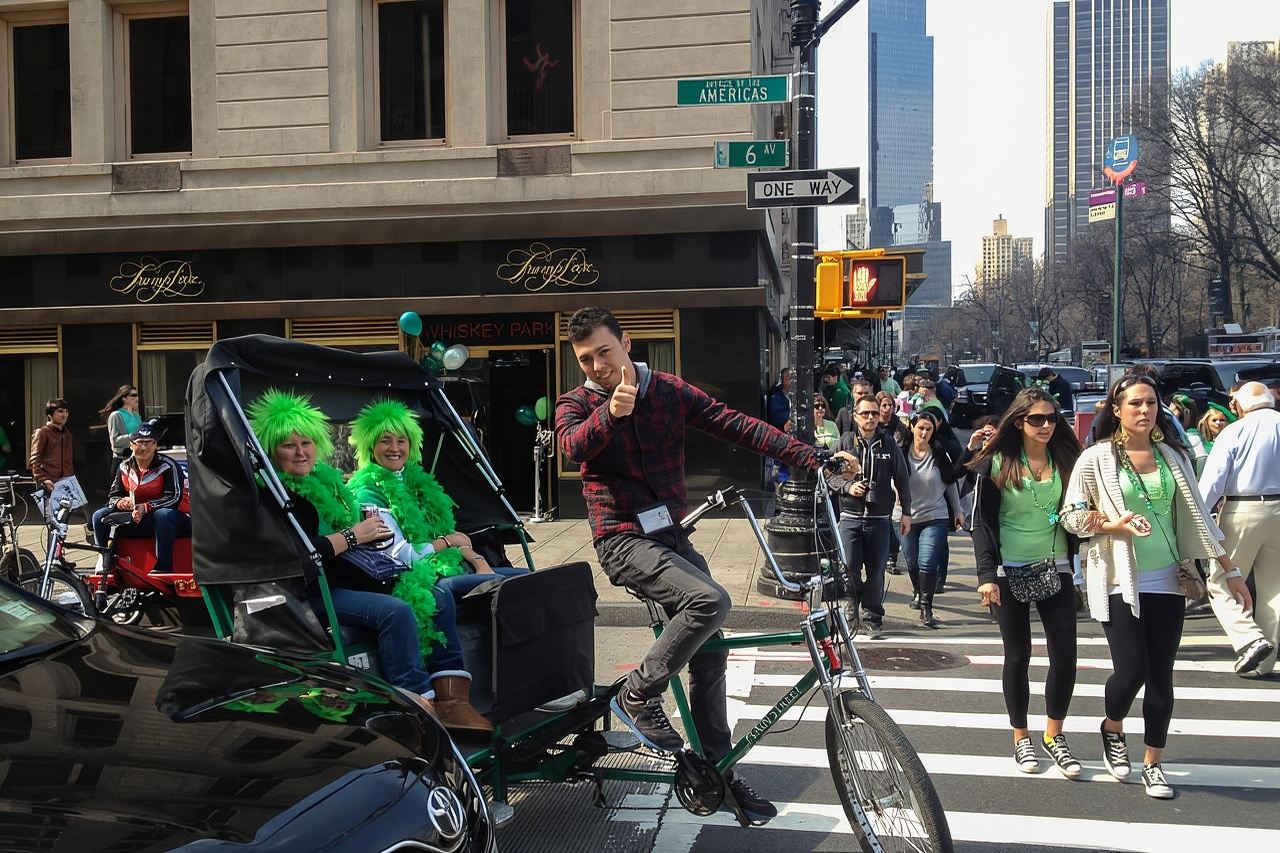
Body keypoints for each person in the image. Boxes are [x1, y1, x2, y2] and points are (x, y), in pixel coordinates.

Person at [556, 307, 835, 822]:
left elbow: (734, 424)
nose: (595, 366)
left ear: (627, 342)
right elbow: (573, 446)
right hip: (620, 538)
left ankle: (718, 773)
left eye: (603, 353)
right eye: (585, 359)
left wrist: (810, 457)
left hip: (669, 535)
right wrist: (609, 415)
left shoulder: (667, 390)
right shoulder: (576, 403)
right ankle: (640, 693)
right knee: (710, 600)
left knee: (712, 649)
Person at [1062, 374, 1248, 799]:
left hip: (1168, 578)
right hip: (1116, 577)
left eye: (1150, 403)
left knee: (1161, 674)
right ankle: (1112, 725)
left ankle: (1153, 763)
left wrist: (1230, 570)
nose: (1144, 411)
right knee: (1133, 669)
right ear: (1117, 409)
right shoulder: (1095, 459)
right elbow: (1070, 518)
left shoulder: (1172, 456)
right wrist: (1113, 525)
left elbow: (1200, 516)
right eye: (1135, 404)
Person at [246, 390, 437, 716]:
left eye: (306, 443)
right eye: (288, 445)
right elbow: (299, 557)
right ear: (271, 451)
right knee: (396, 611)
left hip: (342, 580)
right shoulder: (272, 497)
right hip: (301, 595)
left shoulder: (327, 484)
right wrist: (353, 535)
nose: (301, 452)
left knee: (432, 591)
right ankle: (416, 703)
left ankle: (450, 686)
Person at [348, 398, 524, 732]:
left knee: (525, 580)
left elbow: (452, 534)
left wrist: (475, 557)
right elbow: (401, 556)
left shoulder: (415, 482)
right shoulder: (366, 492)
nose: (394, 447)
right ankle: (450, 702)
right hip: (404, 579)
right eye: (385, 440)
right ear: (370, 445)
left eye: (401, 440)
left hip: (445, 567)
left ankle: (530, 677)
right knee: (441, 594)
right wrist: (450, 544)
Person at [969, 388, 1084, 778]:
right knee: (1018, 655)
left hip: (1057, 567)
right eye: (1037, 419)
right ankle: (1021, 736)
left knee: (1065, 654)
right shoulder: (997, 462)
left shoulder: (1067, 459)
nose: (1047, 425)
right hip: (1009, 570)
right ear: (1019, 421)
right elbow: (981, 524)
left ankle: (1054, 735)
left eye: (1052, 418)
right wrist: (986, 575)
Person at [1197, 381, 1280, 677]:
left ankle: (1249, 639)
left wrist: (1198, 518)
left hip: (1242, 509)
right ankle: (1263, 664)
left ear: (1240, 405)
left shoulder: (1235, 431)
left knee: (1221, 581)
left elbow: (1212, 484)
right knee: (1275, 589)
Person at [834, 395, 912, 637]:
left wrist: (907, 513)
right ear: (855, 416)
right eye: (865, 413)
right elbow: (827, 474)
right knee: (849, 568)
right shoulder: (844, 443)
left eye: (875, 414)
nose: (870, 418)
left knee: (876, 570)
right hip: (850, 516)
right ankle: (850, 608)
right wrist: (847, 487)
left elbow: (902, 479)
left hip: (879, 518)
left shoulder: (889, 444)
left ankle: (873, 617)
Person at [92, 422, 190, 574]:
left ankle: (163, 567)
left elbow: (174, 498)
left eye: (148, 443)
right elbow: (113, 496)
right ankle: (106, 561)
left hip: (173, 517)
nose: (144, 448)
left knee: (162, 515)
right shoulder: (124, 467)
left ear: (155, 444)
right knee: (99, 516)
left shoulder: (168, 465)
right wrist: (120, 502)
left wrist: (146, 507)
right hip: (138, 516)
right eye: (140, 443)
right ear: (131, 445)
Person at [898, 410, 963, 628]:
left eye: (929, 429)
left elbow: (950, 482)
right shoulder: (900, 453)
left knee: (928, 560)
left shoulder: (939, 453)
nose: (924, 433)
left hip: (935, 515)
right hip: (906, 517)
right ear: (912, 428)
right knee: (912, 561)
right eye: (921, 428)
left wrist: (958, 510)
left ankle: (926, 606)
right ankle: (918, 591)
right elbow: (890, 478)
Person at [29, 398, 74, 507]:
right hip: (49, 481)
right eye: (60, 411)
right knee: (53, 519)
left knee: (63, 520)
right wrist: (44, 479)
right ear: (50, 414)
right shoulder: (42, 432)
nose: (64, 415)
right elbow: (35, 460)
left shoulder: (66, 433)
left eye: (66, 411)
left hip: (66, 482)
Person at [99, 385, 142, 467]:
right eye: (133, 395)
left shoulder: (136, 415)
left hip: (137, 459)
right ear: (124, 398)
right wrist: (133, 436)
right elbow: (114, 441)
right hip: (122, 460)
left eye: (137, 395)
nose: (137, 398)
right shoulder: (116, 415)